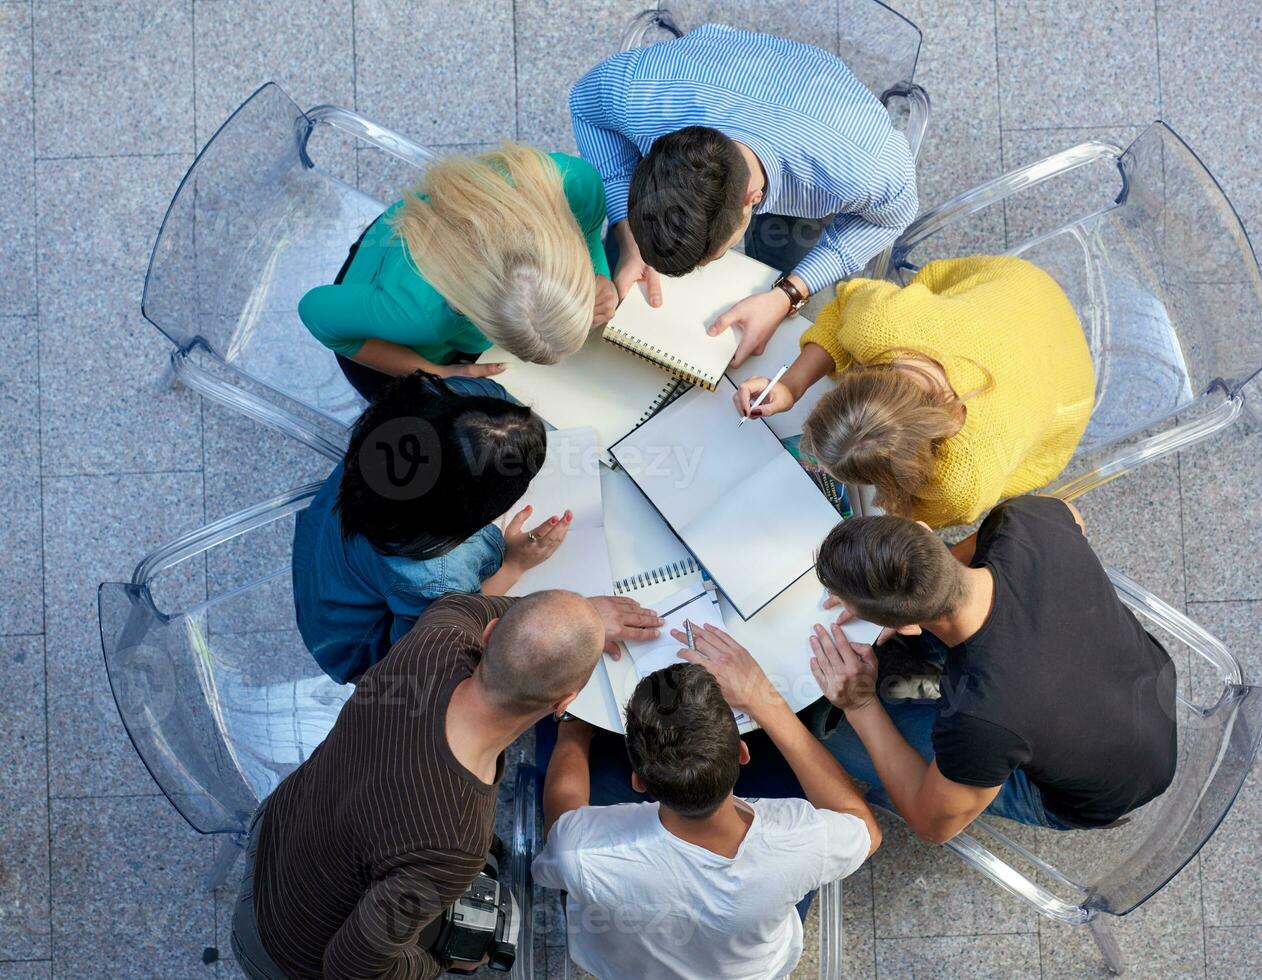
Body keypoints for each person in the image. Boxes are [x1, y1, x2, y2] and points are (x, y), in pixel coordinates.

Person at [230, 588, 660, 980]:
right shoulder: (451, 843)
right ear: (566, 700)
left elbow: (465, 605)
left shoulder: (432, 646)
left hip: (276, 827)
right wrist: (437, 963)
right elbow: (351, 969)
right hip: (281, 948)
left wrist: (579, 616)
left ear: (489, 635)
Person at [808, 497, 1177, 844]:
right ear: (923, 530)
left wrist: (860, 705)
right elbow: (1070, 514)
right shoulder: (1027, 522)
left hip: (1097, 791)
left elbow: (932, 824)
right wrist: (918, 582)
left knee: (826, 730)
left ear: (906, 626)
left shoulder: (979, 721)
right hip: (1147, 694)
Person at [534, 633, 882, 980]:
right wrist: (765, 702)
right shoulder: (800, 839)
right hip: (754, 968)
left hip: (624, 968)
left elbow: (562, 814)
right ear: (743, 753)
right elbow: (866, 830)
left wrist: (572, 729)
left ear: (637, 781)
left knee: (552, 734)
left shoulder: (580, 853)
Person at [569, 24, 918, 367]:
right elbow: (584, 103)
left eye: (713, 258)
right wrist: (629, 235)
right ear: (660, 143)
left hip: (820, 122)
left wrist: (788, 295)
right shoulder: (638, 94)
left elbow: (895, 216)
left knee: (806, 325)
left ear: (752, 199)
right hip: (721, 77)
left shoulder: (862, 168)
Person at [732, 256, 1096, 529]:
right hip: (1020, 292)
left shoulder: (961, 482)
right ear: (860, 377)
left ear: (899, 480)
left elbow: (913, 522)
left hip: (1067, 388)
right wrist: (790, 386)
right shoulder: (882, 324)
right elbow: (843, 308)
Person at [293, 371, 580, 684]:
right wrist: (513, 565)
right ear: (474, 508)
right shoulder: (434, 575)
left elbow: (492, 396)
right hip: (352, 637)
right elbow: (429, 645)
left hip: (324, 546)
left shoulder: (443, 401)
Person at [299, 143, 617, 401]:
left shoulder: (574, 185)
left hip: (438, 227)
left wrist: (598, 275)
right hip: (383, 306)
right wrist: (433, 373)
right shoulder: (422, 314)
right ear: (474, 316)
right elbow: (316, 313)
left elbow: (586, 229)